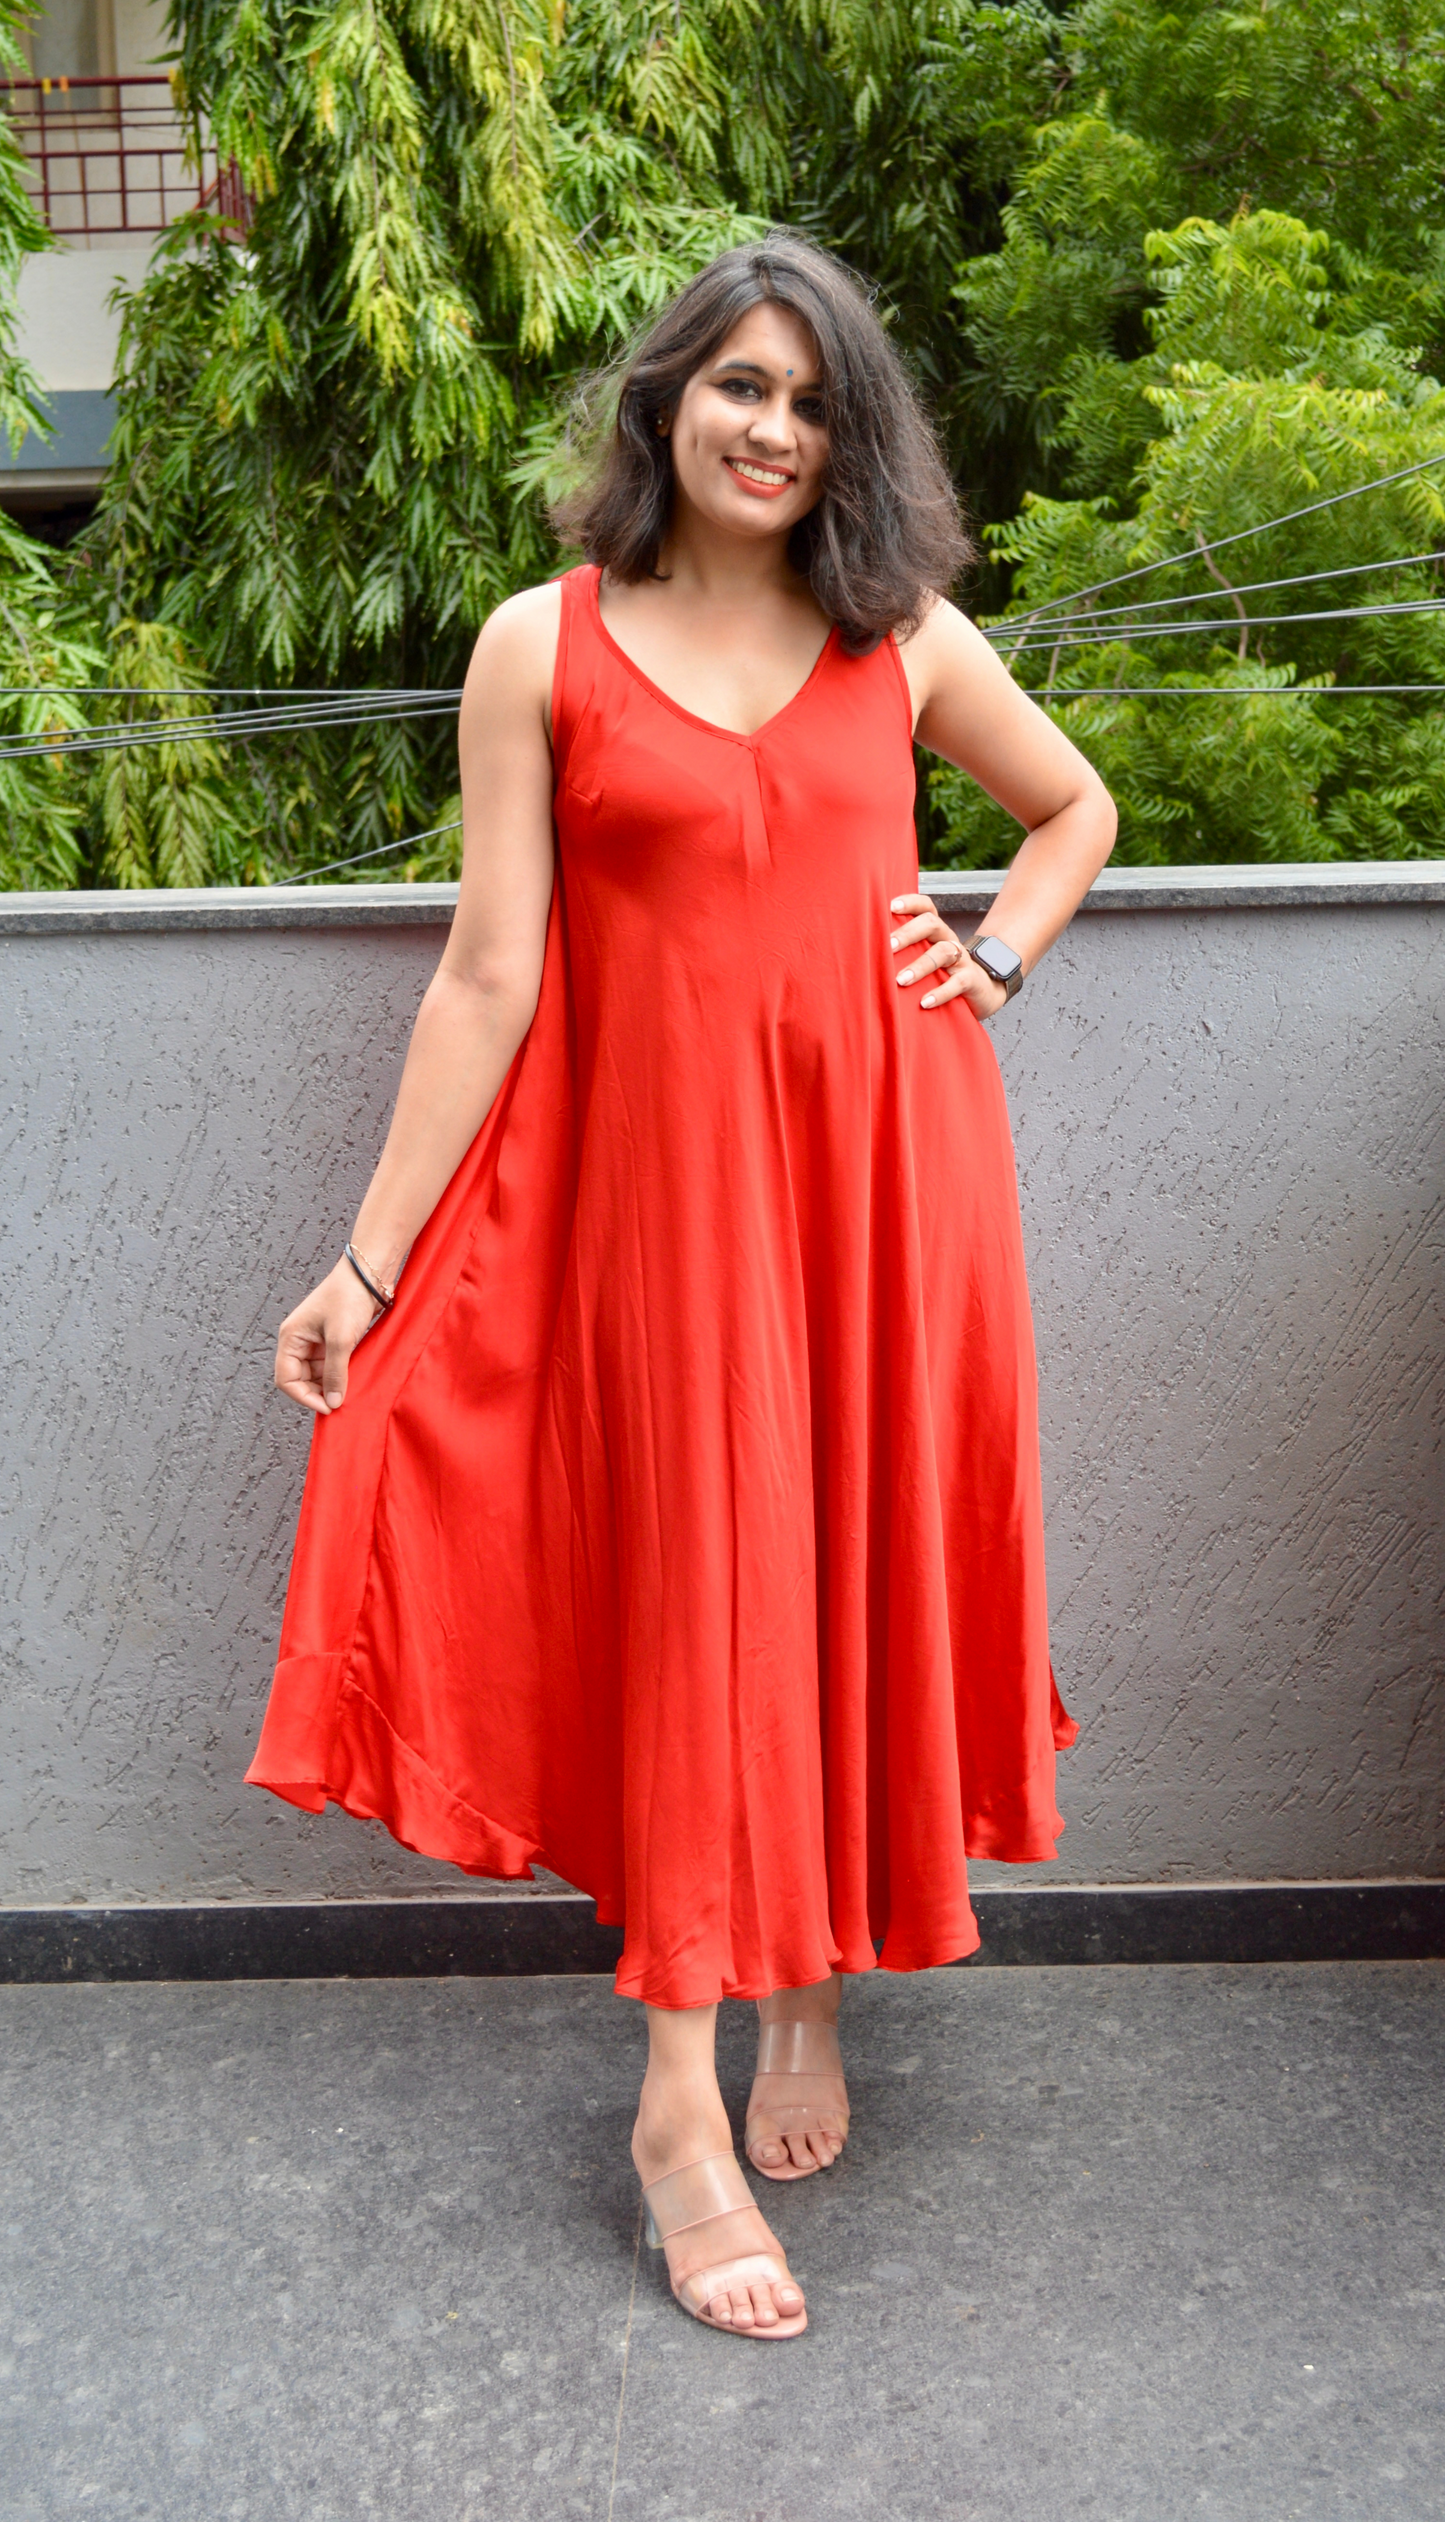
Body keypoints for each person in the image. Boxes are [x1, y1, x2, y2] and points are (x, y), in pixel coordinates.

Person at [250, 233, 1117, 2343]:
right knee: (692, 1606)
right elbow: (487, 970)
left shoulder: (894, 635)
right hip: (656, 1215)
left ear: (852, 442)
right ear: (664, 405)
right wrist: (367, 1255)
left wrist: (988, 952)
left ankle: (803, 2001)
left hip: (884, 1199)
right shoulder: (538, 646)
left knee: (824, 1584)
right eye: (738, 386)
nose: (772, 428)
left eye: (812, 402)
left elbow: (1070, 807)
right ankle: (674, 2108)